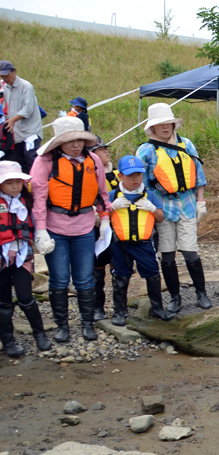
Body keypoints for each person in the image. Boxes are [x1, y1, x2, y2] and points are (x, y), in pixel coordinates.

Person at [31, 117, 110, 342]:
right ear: (58, 142)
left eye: (80, 140)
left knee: (85, 278)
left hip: (84, 227)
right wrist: (41, 230)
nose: (76, 145)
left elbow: (102, 194)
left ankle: (87, 324)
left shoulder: (93, 160)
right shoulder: (45, 162)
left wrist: (104, 220)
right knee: (59, 279)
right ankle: (62, 326)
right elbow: (38, 198)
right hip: (55, 228)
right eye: (70, 141)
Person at [136, 103, 211, 313]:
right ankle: (175, 297)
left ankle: (201, 293)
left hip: (187, 204)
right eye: (160, 124)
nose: (165, 127)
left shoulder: (186, 144)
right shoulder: (146, 150)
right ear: (153, 127)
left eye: (168, 123)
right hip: (162, 208)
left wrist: (201, 201)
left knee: (190, 252)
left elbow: (198, 174)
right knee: (167, 256)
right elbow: (141, 183)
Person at [107, 156, 173, 324]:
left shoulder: (149, 195)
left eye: (138, 175)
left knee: (152, 275)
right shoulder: (112, 195)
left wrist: (151, 208)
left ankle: (158, 309)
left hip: (144, 244)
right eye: (130, 175)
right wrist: (112, 207)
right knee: (120, 276)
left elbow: (160, 218)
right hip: (119, 244)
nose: (135, 179)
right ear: (120, 176)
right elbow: (101, 218)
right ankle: (120, 312)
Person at [0, 161, 51, 356]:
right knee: (3, 301)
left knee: (26, 298)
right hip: (2, 257)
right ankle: (8, 340)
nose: (14, 186)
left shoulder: (26, 202)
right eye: (9, 182)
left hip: (22, 256)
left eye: (18, 182)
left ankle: (40, 335)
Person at [88, 138, 119, 321]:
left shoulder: (117, 173)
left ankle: (119, 307)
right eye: (101, 149)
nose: (106, 152)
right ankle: (97, 306)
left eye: (106, 148)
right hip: (98, 226)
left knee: (118, 267)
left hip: (119, 226)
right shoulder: (89, 173)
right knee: (98, 268)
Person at [0, 61, 43, 174]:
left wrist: (12, 120)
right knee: (19, 161)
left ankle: (37, 182)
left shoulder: (26, 86)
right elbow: (10, 109)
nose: (4, 78)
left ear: (14, 72)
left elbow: (28, 109)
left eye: (6, 75)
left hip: (31, 131)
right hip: (17, 132)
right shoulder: (7, 88)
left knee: (31, 157)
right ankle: (25, 188)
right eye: (2, 76)